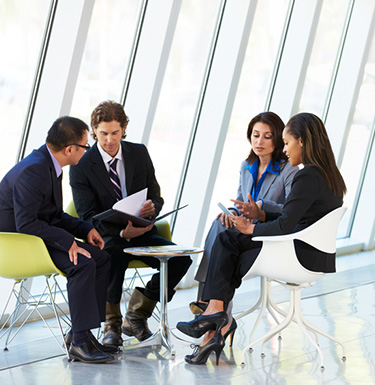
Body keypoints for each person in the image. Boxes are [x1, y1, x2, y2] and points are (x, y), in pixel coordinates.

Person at [177, 112, 346, 365]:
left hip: (297, 253)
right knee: (227, 238)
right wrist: (260, 214)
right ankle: (215, 316)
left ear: (302, 141)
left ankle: (215, 313)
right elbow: (295, 214)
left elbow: (287, 224)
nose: (286, 150)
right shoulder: (328, 174)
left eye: (287, 142)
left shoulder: (307, 175)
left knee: (228, 242)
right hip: (312, 252)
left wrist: (251, 229)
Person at [69, 100, 192, 346]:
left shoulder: (139, 153)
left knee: (180, 260)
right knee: (113, 252)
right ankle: (111, 324)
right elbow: (86, 214)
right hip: (107, 235)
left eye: (115, 132)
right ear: (94, 130)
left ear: (124, 128)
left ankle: (137, 314)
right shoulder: (82, 165)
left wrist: (152, 208)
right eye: (103, 134)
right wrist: (122, 231)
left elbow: (156, 195)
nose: (110, 140)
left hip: (142, 230)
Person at [0, 117, 117, 363]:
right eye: (86, 145)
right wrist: (68, 242)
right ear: (70, 149)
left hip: (38, 237)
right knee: (83, 264)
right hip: (22, 245)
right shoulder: (35, 170)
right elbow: (26, 223)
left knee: (101, 258)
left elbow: (54, 215)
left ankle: (80, 334)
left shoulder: (49, 165)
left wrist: (85, 231)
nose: (89, 150)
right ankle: (79, 343)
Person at [191, 112, 298, 317]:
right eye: (255, 135)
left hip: (269, 232)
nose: (259, 141)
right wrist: (232, 212)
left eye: (267, 136)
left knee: (223, 234)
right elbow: (240, 199)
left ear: (278, 138)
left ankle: (209, 301)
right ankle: (215, 306)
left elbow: (291, 211)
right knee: (219, 222)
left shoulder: (289, 169)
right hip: (243, 229)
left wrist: (262, 207)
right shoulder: (246, 166)